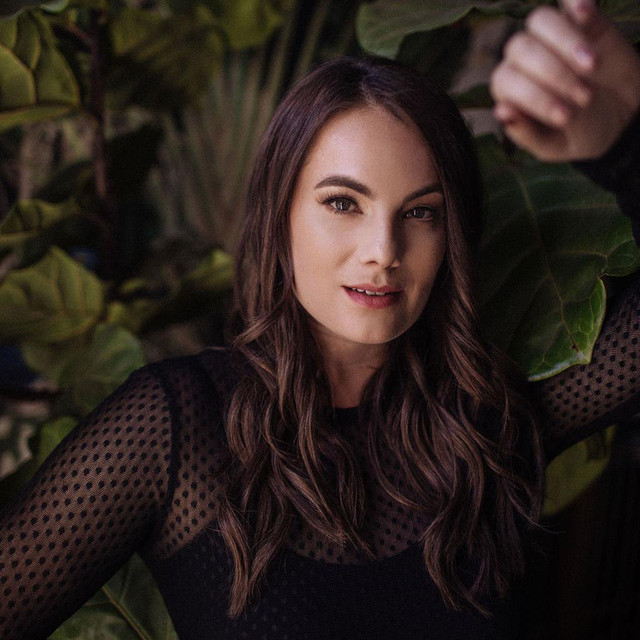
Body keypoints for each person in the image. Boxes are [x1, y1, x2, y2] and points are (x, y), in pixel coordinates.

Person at [1, 0, 639, 637]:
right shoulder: (174, 429)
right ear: (280, 214)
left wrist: (625, 140)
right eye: (343, 203)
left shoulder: (487, 424)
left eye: (421, 213)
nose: (383, 251)